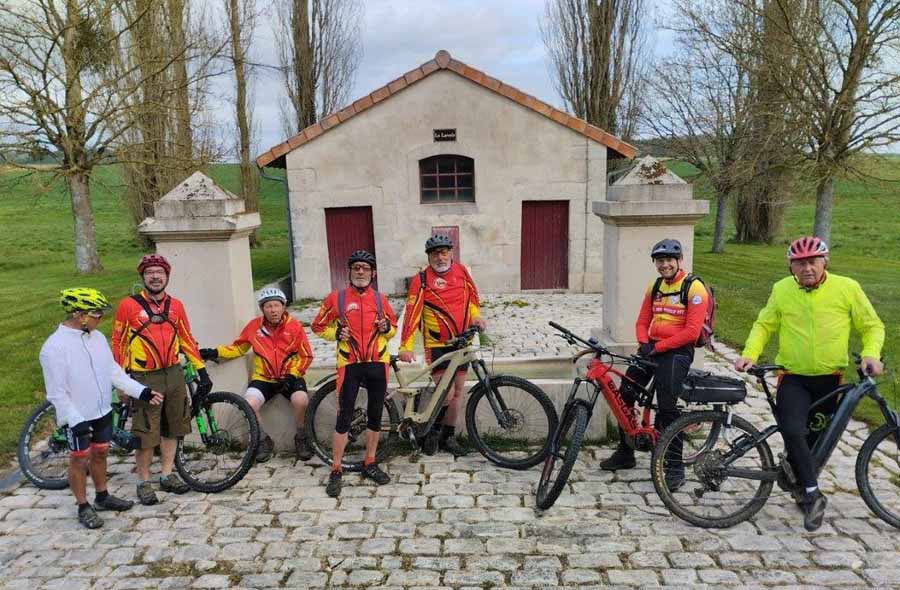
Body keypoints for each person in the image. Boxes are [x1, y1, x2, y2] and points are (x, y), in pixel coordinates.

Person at [734, 236, 884, 531]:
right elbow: (764, 324)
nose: (807, 268)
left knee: (815, 442)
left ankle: (801, 486)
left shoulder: (847, 288)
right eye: (800, 263)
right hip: (793, 377)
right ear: (791, 267)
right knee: (792, 430)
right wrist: (749, 353)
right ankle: (814, 495)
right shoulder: (782, 289)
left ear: (824, 262)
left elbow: (871, 325)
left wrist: (870, 353)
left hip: (830, 379)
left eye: (812, 262)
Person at [40, 288, 165, 529]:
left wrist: (141, 391)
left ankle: (102, 496)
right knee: (79, 459)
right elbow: (56, 393)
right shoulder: (54, 348)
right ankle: (82, 506)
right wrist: (74, 419)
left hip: (102, 411)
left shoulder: (96, 338)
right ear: (80, 315)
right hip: (78, 416)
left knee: (101, 453)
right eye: (97, 313)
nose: (101, 318)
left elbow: (112, 371)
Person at [601, 238, 709, 489]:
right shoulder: (656, 286)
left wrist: (658, 348)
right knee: (625, 393)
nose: (664, 265)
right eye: (660, 261)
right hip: (652, 347)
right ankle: (626, 451)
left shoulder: (694, 288)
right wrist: (644, 343)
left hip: (677, 351)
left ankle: (674, 466)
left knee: (667, 406)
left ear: (679, 260)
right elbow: (642, 321)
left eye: (669, 260)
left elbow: (691, 332)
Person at [111, 254, 212, 505]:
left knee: (173, 426)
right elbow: (118, 343)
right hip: (145, 376)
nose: (155, 277)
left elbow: (186, 338)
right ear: (142, 277)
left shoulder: (176, 306)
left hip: (174, 372)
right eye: (150, 273)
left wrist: (201, 370)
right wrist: (120, 381)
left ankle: (167, 474)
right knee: (145, 432)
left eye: (160, 272)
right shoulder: (128, 306)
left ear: (167, 276)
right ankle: (143, 482)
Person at [311, 250, 398, 497]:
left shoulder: (380, 299)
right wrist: (336, 334)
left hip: (377, 362)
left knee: (375, 414)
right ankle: (336, 469)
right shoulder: (336, 298)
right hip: (349, 363)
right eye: (356, 267)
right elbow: (318, 326)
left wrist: (387, 327)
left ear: (373, 273)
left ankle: (370, 462)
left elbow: (393, 329)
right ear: (349, 272)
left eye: (365, 268)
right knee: (344, 416)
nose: (361, 271)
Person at [199, 287, 315, 462]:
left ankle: (301, 436)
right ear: (262, 309)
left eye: (276, 305)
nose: (273, 310)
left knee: (301, 400)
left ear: (283, 307)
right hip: (263, 378)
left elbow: (306, 355)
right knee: (249, 403)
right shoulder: (254, 326)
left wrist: (292, 375)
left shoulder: (295, 326)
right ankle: (262, 439)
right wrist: (215, 352)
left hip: (290, 377)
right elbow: (239, 348)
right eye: (268, 306)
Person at [398, 234, 485, 456]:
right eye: (435, 253)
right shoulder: (421, 280)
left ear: (451, 253)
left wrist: (476, 316)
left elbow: (472, 300)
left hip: (462, 342)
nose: (440, 257)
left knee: (458, 392)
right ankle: (432, 432)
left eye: (444, 252)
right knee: (445, 393)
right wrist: (405, 346)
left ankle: (448, 436)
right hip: (437, 345)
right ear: (428, 257)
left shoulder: (462, 271)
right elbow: (411, 314)